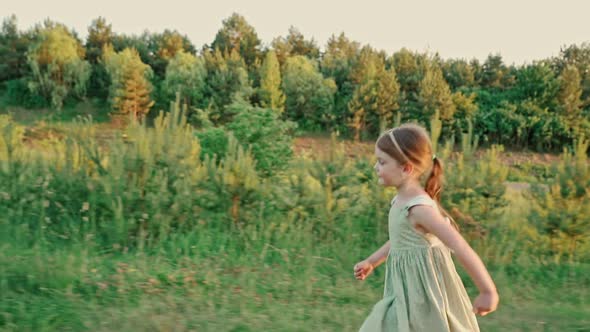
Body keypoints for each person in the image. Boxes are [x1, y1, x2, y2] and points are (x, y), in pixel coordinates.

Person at [354, 123, 499, 331]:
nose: (376, 167)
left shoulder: (420, 209)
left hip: (425, 294)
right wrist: (372, 261)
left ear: (406, 168)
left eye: (382, 162)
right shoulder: (400, 201)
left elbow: (460, 246)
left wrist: (488, 291)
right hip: (405, 292)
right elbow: (399, 240)